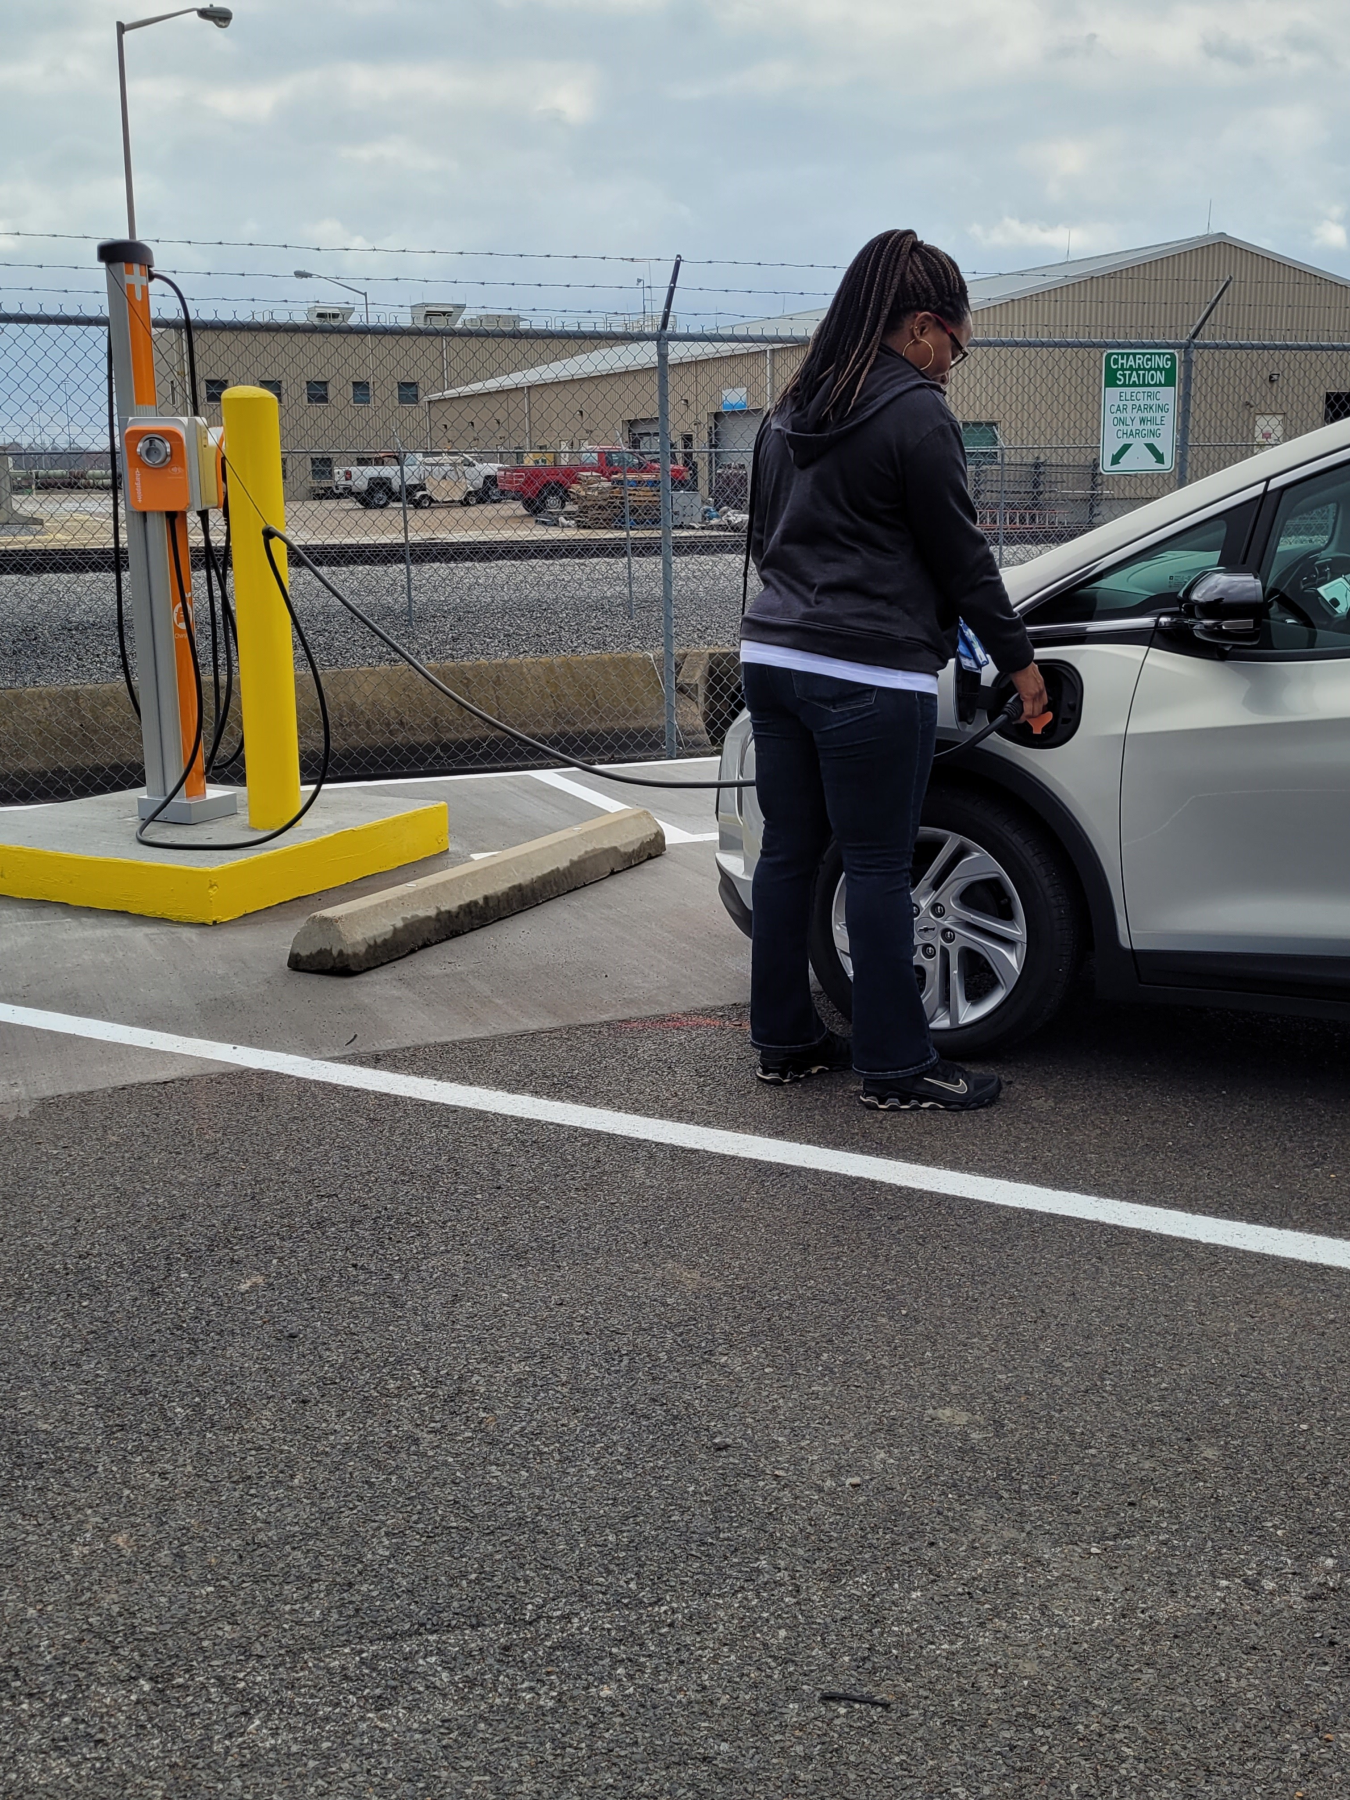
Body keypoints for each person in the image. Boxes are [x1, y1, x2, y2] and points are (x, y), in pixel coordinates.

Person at [740, 228, 1047, 1112]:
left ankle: (785, 1041)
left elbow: (766, 541)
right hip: (870, 673)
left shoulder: (790, 406)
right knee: (878, 865)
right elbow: (964, 559)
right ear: (920, 326)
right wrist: (1019, 666)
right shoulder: (916, 413)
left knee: (790, 854)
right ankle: (895, 1066)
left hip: (772, 657)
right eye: (954, 342)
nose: (954, 360)